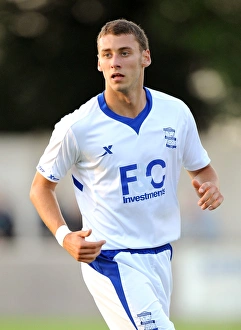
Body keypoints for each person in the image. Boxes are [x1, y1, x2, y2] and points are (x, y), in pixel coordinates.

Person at [30, 19, 224, 330]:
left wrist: (210, 187)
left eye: (124, 52)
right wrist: (64, 236)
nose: (115, 62)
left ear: (145, 57)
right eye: (106, 55)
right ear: (98, 63)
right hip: (110, 258)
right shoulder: (76, 127)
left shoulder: (175, 112)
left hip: (161, 255)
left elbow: (202, 170)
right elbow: (40, 188)